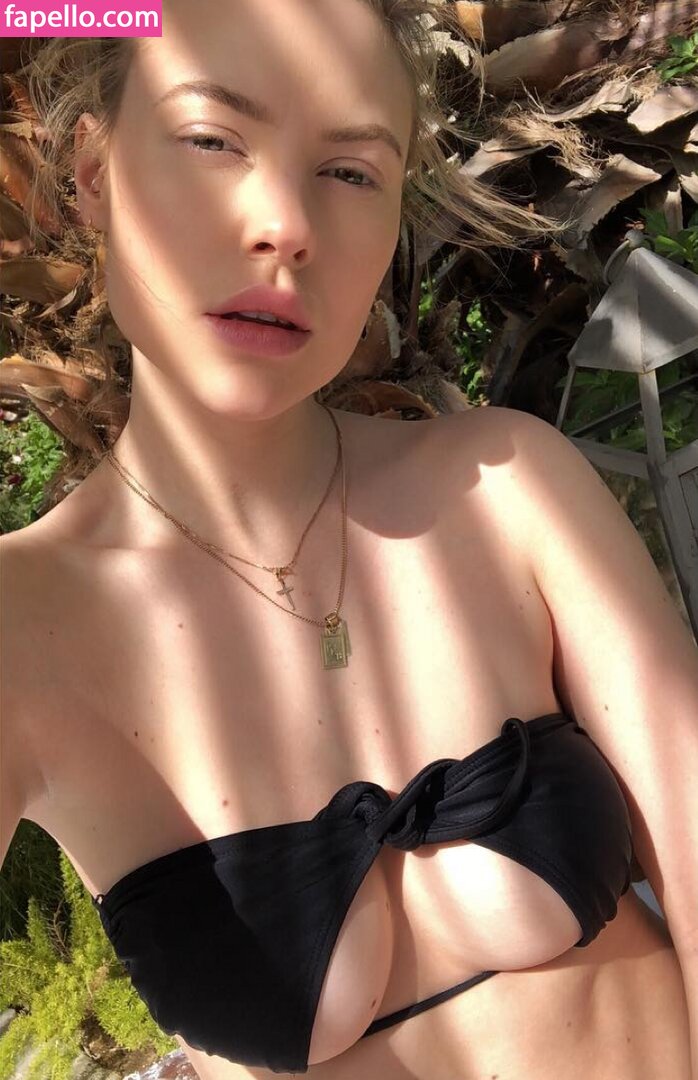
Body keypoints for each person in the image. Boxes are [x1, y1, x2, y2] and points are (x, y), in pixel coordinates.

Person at [3, 1, 698, 1078]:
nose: (286, 223)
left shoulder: (506, 485)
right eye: (212, 139)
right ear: (93, 171)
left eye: (349, 171)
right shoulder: (24, 626)